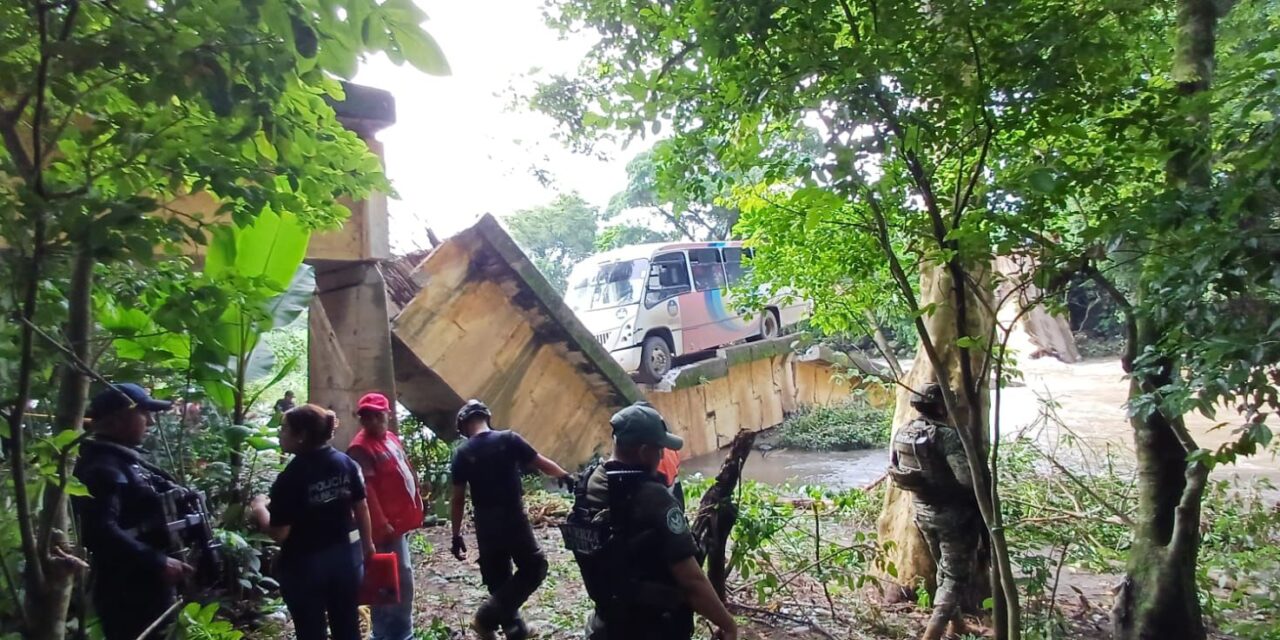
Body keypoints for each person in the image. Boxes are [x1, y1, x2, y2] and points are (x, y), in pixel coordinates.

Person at [561, 402, 738, 640]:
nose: (662, 455)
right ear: (644, 452)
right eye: (659, 449)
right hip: (654, 626)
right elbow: (692, 581)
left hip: (607, 622)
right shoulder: (653, 497)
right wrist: (727, 624)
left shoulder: (589, 483)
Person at [73, 383, 192, 640]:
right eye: (143, 413)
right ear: (117, 420)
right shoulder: (102, 467)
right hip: (127, 590)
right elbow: (99, 530)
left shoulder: (124, 460)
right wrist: (156, 561)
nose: (150, 422)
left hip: (147, 584)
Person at [248, 404, 375, 640]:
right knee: (347, 627)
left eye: (284, 429)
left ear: (301, 436)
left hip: (305, 569)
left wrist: (258, 508)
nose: (280, 433)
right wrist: (368, 546)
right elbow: (361, 506)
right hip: (346, 562)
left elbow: (279, 533)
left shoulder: (291, 477)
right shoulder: (346, 463)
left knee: (310, 631)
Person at [450, 399, 574, 640]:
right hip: (513, 517)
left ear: (464, 426)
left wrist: (456, 535)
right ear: (486, 418)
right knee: (534, 566)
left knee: (498, 576)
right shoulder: (508, 439)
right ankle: (486, 618)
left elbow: (457, 499)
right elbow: (541, 462)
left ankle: (513, 630)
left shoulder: (462, 453)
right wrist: (565, 476)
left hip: (486, 523)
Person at [887, 382, 984, 640]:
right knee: (954, 577)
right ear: (941, 406)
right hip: (953, 517)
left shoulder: (903, 431)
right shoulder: (946, 436)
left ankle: (958, 626)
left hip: (922, 511)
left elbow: (895, 468)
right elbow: (965, 479)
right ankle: (932, 633)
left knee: (944, 568)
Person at [345, 392, 423, 640]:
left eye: (378, 416)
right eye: (368, 417)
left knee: (402, 578)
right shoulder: (360, 448)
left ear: (387, 415)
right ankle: (390, 634)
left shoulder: (389, 438)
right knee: (390, 583)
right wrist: (381, 524)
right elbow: (364, 493)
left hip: (399, 522)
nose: (374, 422)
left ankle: (400, 631)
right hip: (385, 529)